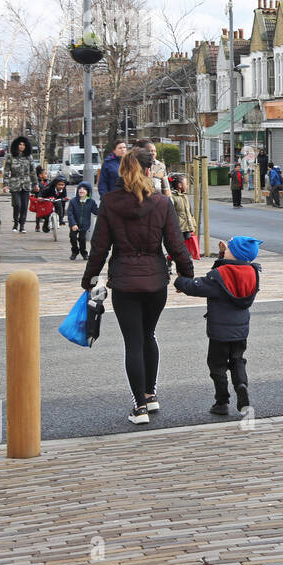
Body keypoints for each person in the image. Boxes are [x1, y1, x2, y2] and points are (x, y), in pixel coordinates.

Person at [82, 147, 195, 426]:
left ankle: (139, 407)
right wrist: (186, 275)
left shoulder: (110, 202)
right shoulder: (161, 203)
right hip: (156, 280)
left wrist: (90, 279)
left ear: (123, 171)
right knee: (148, 335)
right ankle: (150, 393)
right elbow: (175, 244)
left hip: (124, 280)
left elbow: (99, 247)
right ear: (148, 171)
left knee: (132, 341)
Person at [174, 235, 262, 416]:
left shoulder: (220, 275)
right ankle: (241, 385)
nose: (226, 249)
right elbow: (227, 272)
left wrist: (179, 281)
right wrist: (223, 254)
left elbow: (197, 286)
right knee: (237, 359)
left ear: (236, 253)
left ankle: (221, 402)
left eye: (229, 248)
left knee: (217, 365)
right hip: (240, 330)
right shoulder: (252, 273)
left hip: (219, 333)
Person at [3, 137, 34, 233]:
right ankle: (16, 223)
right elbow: (6, 171)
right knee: (17, 205)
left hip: (26, 184)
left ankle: (22, 225)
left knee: (25, 206)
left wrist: (36, 184)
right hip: (15, 184)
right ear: (16, 145)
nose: (22, 146)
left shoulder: (29, 157)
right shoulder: (10, 156)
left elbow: (32, 172)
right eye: (20, 144)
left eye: (24, 145)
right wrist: (5, 184)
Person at [168, 173, 199, 260]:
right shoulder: (172, 197)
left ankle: (184, 261)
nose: (187, 185)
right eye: (186, 183)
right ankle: (170, 259)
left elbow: (190, 212)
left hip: (187, 227)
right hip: (178, 228)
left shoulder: (185, 196)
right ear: (179, 185)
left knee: (186, 248)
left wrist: (193, 225)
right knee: (177, 247)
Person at [67, 181, 98, 260]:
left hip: (84, 225)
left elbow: (96, 211)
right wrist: (73, 224)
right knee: (72, 237)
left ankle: (84, 252)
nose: (81, 190)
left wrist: (104, 209)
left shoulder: (91, 202)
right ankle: (75, 251)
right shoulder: (73, 201)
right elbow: (70, 213)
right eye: (80, 188)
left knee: (82, 239)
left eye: (84, 189)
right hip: (74, 224)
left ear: (88, 192)